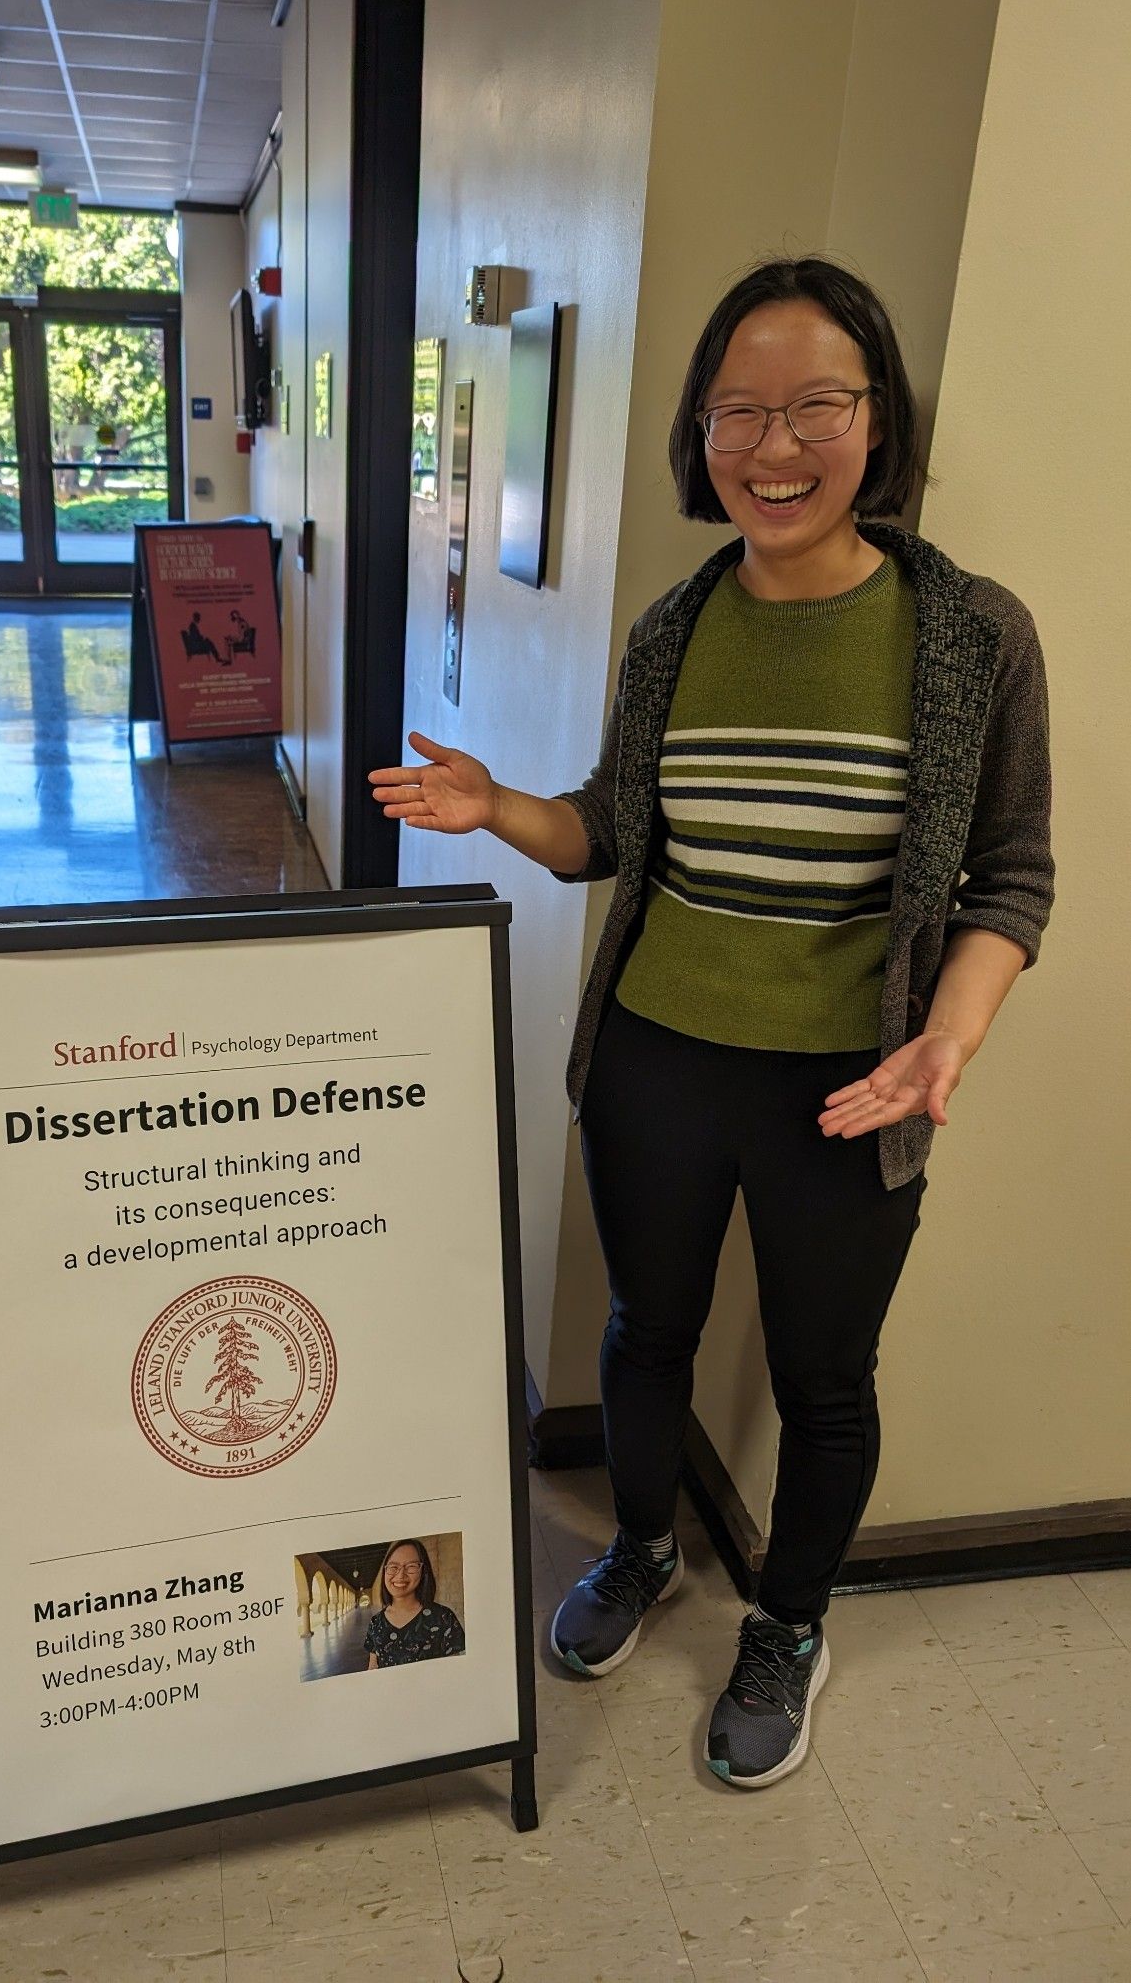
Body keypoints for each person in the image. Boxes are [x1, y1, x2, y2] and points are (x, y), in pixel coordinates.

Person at [368, 256, 1052, 1789]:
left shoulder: (969, 635)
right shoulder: (676, 627)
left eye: (815, 404)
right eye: (737, 410)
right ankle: (645, 1549)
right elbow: (614, 828)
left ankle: (790, 1625)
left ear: (875, 424)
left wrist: (948, 1039)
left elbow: (1010, 875)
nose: (773, 445)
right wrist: (503, 811)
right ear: (700, 434)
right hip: (659, 1057)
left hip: (849, 1083)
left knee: (823, 1375)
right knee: (643, 1330)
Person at [364, 1539, 465, 1669]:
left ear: (423, 1572)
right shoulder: (375, 1622)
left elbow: (456, 1672)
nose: (400, 1575)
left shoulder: (443, 1618)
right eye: (393, 1567)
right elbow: (373, 1665)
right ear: (385, 1572)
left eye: (411, 1566)